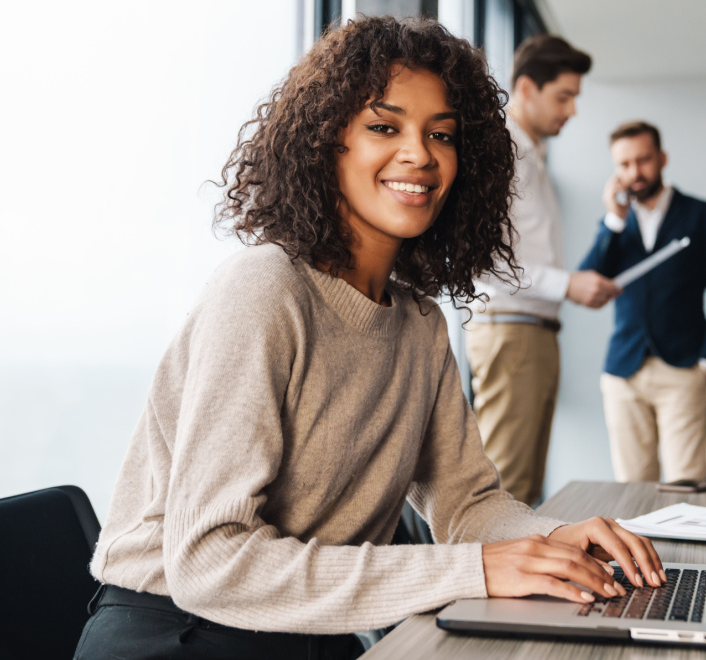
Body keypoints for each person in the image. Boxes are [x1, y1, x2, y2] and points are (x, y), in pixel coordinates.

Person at [74, 18, 664, 660]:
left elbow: (467, 503)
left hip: (310, 629)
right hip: (178, 633)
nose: (421, 154)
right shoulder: (265, 289)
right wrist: (476, 571)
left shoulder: (419, 323)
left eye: (442, 134)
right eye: (385, 127)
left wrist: (555, 539)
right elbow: (209, 560)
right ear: (328, 143)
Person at [465, 35, 619, 506]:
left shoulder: (532, 155)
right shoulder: (504, 152)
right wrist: (567, 283)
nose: (572, 110)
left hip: (532, 331)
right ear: (527, 89)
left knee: (524, 489)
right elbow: (483, 260)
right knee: (505, 489)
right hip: (513, 330)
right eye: (564, 96)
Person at [579, 121, 706, 484]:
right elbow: (586, 284)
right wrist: (613, 222)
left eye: (643, 160)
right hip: (623, 371)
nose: (635, 172)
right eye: (624, 164)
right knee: (632, 489)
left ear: (662, 158)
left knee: (687, 485)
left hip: (683, 369)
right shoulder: (616, 225)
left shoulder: (702, 215)